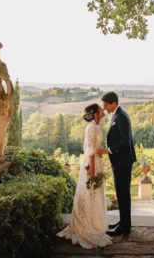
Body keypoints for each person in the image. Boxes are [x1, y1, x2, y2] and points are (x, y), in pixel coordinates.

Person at [57, 103, 113, 249]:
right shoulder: (92, 128)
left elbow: (97, 150)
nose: (103, 110)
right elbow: (90, 151)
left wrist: (109, 151)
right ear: (95, 113)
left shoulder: (97, 126)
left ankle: (94, 224)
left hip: (96, 162)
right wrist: (92, 171)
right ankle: (87, 227)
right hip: (91, 165)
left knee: (95, 195)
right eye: (100, 109)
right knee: (90, 194)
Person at [97, 92, 136, 237]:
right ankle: (123, 222)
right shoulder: (117, 115)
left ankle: (125, 227)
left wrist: (107, 150)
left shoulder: (122, 117)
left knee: (123, 194)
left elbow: (125, 142)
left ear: (113, 103)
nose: (104, 108)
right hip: (120, 162)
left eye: (106, 105)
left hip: (123, 162)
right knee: (121, 194)